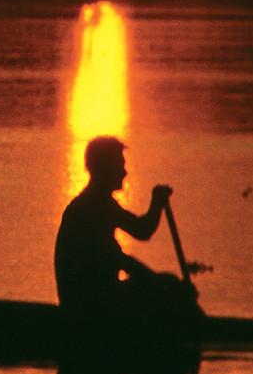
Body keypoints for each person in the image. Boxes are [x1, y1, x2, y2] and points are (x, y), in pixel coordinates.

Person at [54, 134, 175, 322]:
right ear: (105, 168)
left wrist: (157, 203)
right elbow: (121, 260)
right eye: (120, 165)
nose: (124, 172)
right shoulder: (90, 207)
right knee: (165, 289)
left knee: (166, 284)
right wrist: (160, 284)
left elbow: (141, 230)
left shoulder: (101, 203)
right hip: (88, 305)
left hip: (97, 299)